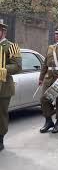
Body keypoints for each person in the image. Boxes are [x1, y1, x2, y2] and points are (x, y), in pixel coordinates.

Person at [0, 20, 22, 151]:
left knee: (1, 114)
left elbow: (18, 66)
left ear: (3, 32)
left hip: (3, 87)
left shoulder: (11, 46)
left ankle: (0, 138)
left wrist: (3, 69)